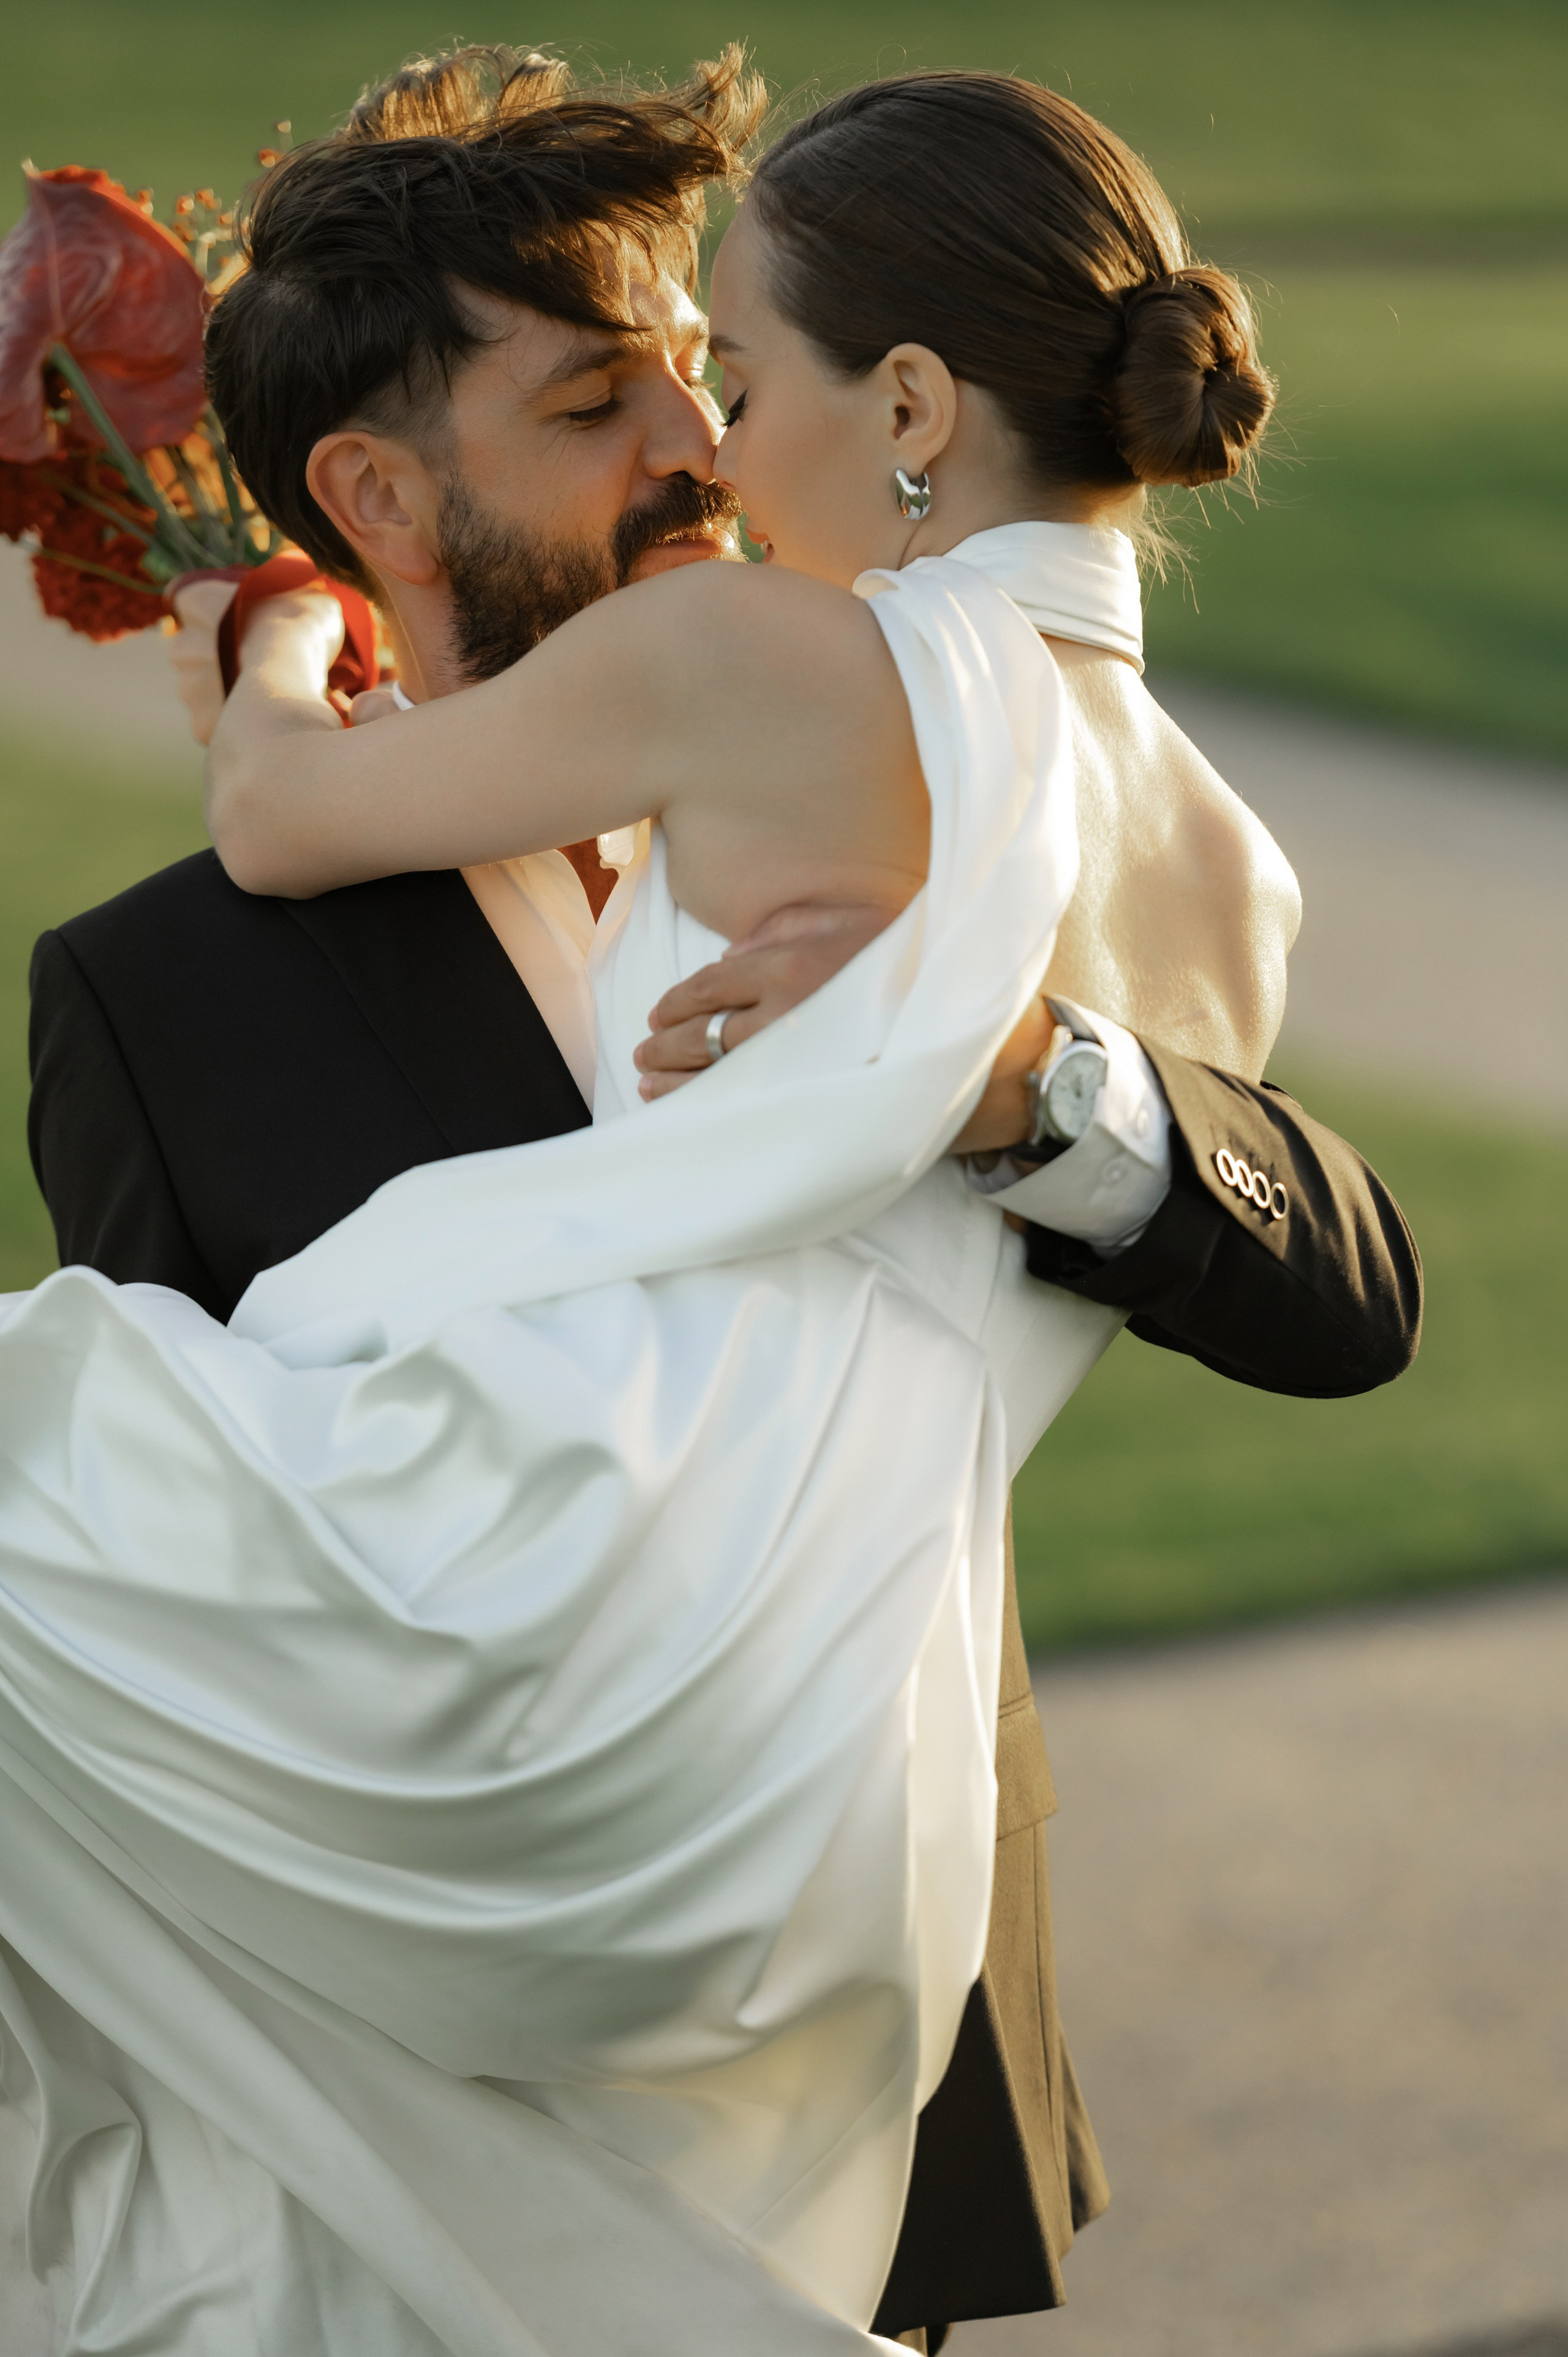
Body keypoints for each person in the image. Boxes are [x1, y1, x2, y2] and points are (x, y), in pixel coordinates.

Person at [12, 52, 1420, 2357]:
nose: (687, 445)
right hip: (432, 2134)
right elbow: (193, 1722)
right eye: (598, 406)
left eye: (701, 372)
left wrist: (1006, 1083)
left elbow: (1351, 1293)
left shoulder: (874, 732)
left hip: (869, 1998)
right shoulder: (157, 1000)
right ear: (375, 488)